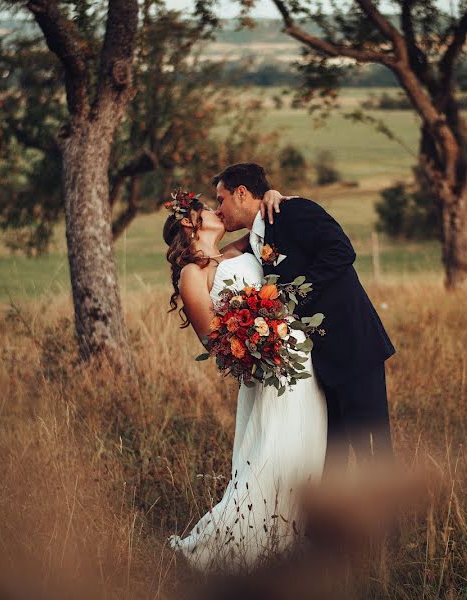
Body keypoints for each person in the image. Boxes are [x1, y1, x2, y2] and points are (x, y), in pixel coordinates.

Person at [163, 188, 327, 572]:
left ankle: (293, 540)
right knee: (272, 452)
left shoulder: (232, 253)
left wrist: (274, 195)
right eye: (207, 208)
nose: (217, 209)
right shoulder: (193, 273)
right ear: (190, 223)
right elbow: (215, 342)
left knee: (304, 449)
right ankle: (244, 545)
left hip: (298, 364)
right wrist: (258, 344)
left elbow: (261, 225)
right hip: (265, 371)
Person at [212, 163, 395, 467]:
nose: (219, 209)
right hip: (319, 361)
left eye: (221, 199)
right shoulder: (256, 239)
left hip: (353, 345)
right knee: (332, 457)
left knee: (372, 453)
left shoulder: (292, 212)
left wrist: (289, 297)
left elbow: (341, 251)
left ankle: (388, 516)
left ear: (241, 193)